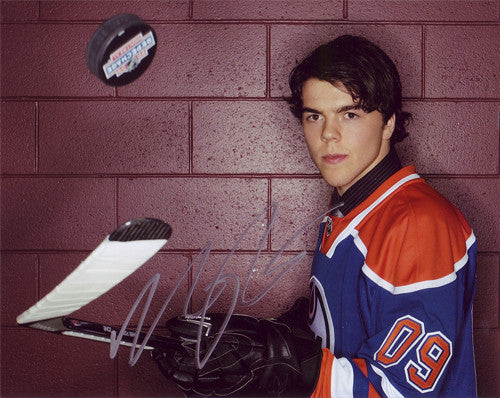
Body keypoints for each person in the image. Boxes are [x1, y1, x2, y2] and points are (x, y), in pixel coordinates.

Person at [152, 35, 477, 397]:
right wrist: (272, 340)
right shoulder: (351, 209)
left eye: (349, 114)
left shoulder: (419, 223)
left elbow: (403, 389)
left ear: (388, 123)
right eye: (314, 116)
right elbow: (347, 326)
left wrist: (288, 367)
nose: (328, 135)